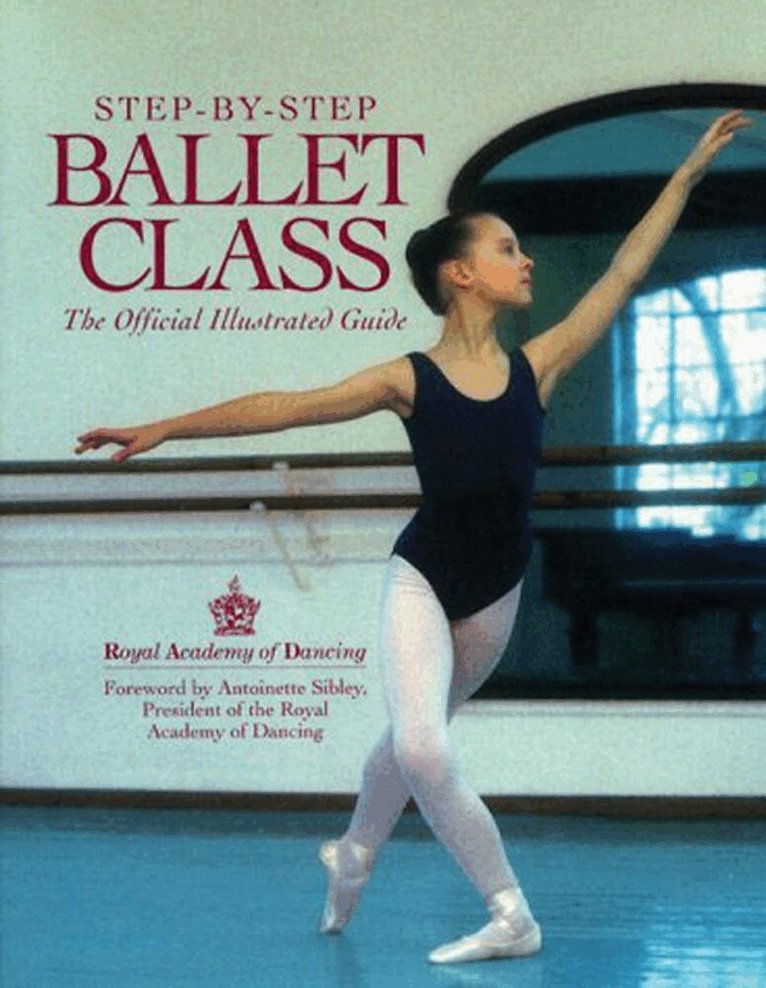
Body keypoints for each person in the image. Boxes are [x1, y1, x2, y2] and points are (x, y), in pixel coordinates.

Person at [74, 109, 752, 964]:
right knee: (425, 744)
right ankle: (512, 915)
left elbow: (625, 270)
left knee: (410, 744)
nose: (526, 259)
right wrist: (165, 426)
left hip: (498, 591)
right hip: (423, 576)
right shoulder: (409, 378)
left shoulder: (537, 366)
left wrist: (687, 174)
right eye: (507, 247)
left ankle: (353, 852)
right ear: (460, 273)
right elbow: (287, 406)